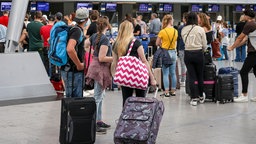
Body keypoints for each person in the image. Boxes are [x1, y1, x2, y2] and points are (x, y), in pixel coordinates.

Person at [112, 20, 156, 106]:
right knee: (141, 100)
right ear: (131, 30)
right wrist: (152, 78)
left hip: (125, 76)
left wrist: (117, 78)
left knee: (126, 100)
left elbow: (115, 63)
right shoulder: (136, 42)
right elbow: (144, 61)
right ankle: (139, 118)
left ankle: (127, 117)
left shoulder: (116, 44)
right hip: (138, 75)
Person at [84, 17, 113, 134]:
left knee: (100, 96)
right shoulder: (104, 39)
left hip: (95, 67)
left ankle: (98, 120)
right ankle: (93, 123)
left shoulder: (94, 36)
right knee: (97, 98)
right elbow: (102, 58)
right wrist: (115, 58)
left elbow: (86, 45)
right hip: (101, 69)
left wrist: (92, 55)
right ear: (107, 26)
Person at [228, 9, 256, 102]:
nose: (243, 16)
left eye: (244, 15)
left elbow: (240, 37)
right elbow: (245, 40)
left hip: (253, 53)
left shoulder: (249, 24)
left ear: (247, 16)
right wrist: (234, 47)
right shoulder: (254, 23)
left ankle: (244, 95)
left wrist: (232, 47)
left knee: (243, 72)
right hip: (254, 51)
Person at [60, 8, 88, 98]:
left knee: (70, 97)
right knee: (75, 99)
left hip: (67, 68)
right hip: (73, 70)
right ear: (87, 19)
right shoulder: (77, 31)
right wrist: (78, 64)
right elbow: (70, 49)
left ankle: (69, 112)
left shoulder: (72, 28)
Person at [181, 12, 207, 106]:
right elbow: (204, 44)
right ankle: (201, 95)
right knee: (200, 75)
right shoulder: (200, 29)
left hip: (188, 53)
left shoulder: (183, 29)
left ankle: (194, 98)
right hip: (198, 53)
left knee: (192, 76)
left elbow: (184, 41)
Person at [156, 14, 178, 97]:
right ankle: (173, 90)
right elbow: (175, 42)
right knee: (173, 73)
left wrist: (162, 45)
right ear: (170, 21)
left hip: (165, 53)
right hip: (173, 53)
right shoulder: (175, 31)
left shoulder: (162, 31)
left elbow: (157, 43)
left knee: (165, 73)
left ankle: (166, 92)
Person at [177, 12, 188, 87]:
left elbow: (178, 38)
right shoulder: (193, 27)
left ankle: (183, 80)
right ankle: (188, 79)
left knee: (182, 64)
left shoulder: (181, 27)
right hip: (190, 48)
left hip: (182, 47)